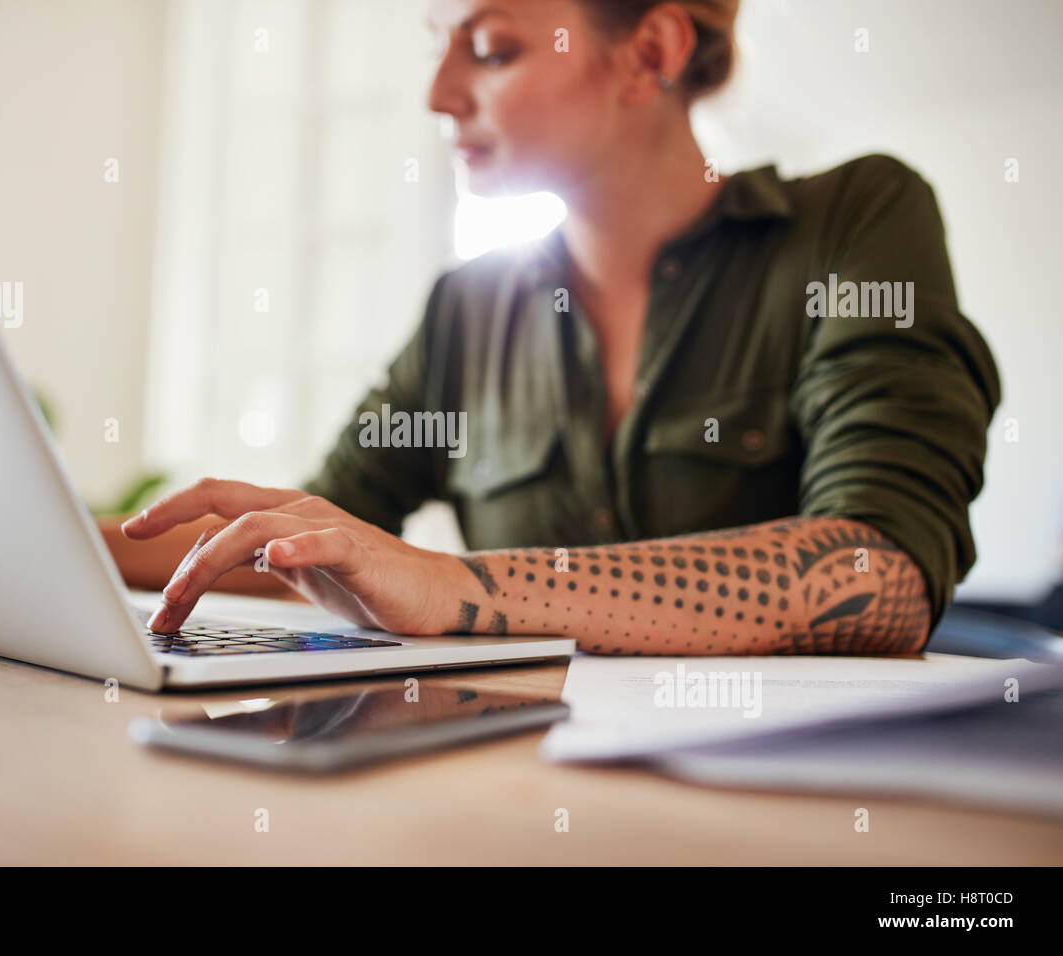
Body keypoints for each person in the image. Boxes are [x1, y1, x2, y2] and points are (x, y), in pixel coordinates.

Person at [99, 0, 1000, 656]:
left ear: (649, 51)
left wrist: (455, 587)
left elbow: (879, 574)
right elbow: (311, 543)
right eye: (439, 46)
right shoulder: (468, 309)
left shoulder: (857, 220)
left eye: (489, 49)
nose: (438, 93)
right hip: (520, 787)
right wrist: (53, 543)